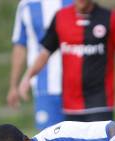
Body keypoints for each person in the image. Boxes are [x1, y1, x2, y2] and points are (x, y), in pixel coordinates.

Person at [18, 0, 115, 122]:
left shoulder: (110, 18)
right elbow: (45, 52)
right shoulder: (61, 17)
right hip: (70, 105)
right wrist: (27, 77)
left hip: (100, 103)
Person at [7, 0, 73, 131]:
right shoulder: (27, 5)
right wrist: (13, 86)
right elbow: (20, 47)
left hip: (77, 86)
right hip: (44, 86)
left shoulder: (75, 3)